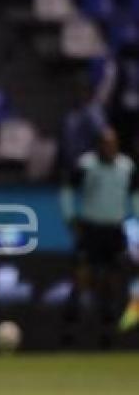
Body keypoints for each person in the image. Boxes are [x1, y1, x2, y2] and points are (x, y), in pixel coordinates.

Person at [60, 127, 138, 348]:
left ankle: (107, 335)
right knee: (81, 279)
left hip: (114, 230)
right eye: (105, 143)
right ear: (98, 146)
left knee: (111, 283)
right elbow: (67, 189)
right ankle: (69, 333)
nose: (109, 148)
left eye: (112, 143)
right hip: (91, 229)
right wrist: (70, 216)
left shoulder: (127, 167)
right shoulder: (87, 165)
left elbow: (135, 195)